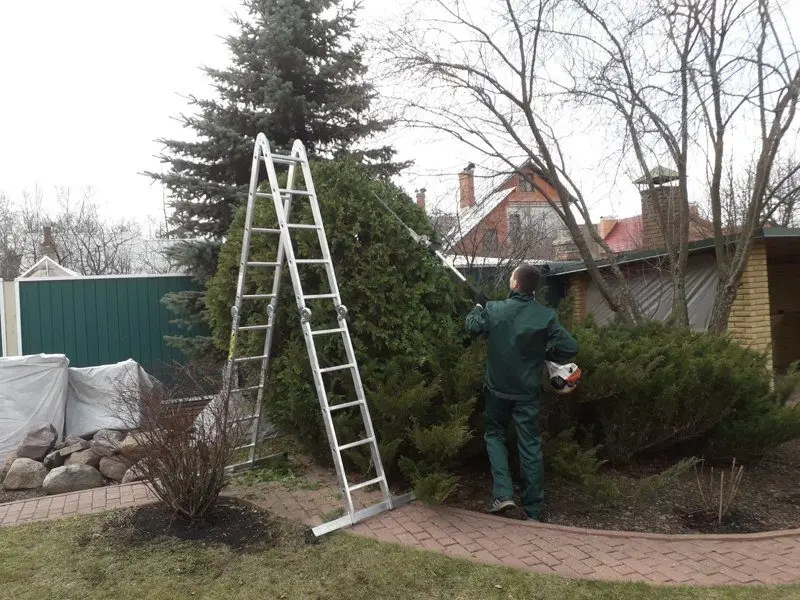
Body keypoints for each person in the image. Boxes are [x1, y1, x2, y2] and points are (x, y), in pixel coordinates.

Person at [466, 264, 578, 520]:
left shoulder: (495, 309)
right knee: (530, 446)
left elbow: (472, 326)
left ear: (516, 284)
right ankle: (533, 512)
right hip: (527, 393)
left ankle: (503, 494)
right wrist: (545, 355)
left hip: (497, 390)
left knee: (494, 435)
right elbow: (570, 346)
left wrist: (479, 306)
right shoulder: (545, 316)